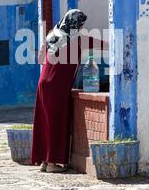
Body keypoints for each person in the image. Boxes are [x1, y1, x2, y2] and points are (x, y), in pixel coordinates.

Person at [31, 9, 107, 173]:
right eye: (80, 24)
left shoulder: (52, 35)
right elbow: (106, 45)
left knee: (45, 122)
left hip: (43, 83)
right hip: (57, 85)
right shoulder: (78, 39)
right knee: (57, 122)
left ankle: (44, 161)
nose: (81, 27)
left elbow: (40, 59)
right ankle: (52, 164)